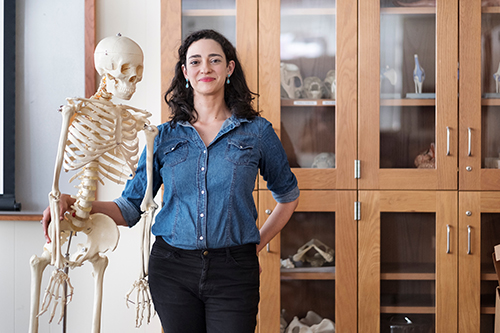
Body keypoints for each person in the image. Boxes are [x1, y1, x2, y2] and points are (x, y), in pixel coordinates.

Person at [42, 29, 299, 333]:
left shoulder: (256, 132)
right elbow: (129, 207)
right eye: (196, 61)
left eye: (214, 60)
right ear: (185, 72)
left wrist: (256, 244)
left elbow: (288, 195)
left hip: (234, 271)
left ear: (229, 68)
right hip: (172, 269)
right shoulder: (163, 136)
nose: (205, 68)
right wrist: (74, 202)